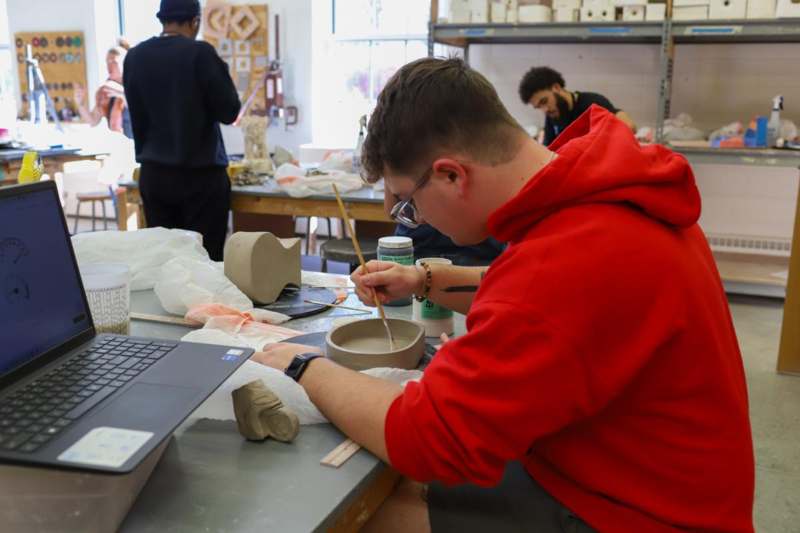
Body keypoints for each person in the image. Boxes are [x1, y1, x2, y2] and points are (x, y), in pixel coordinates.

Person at [251, 57, 755, 532]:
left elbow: (427, 438)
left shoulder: (564, 262)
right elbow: (536, 302)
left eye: (408, 203)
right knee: (396, 486)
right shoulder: (600, 190)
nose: (413, 219)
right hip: (627, 472)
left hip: (633, 514)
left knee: (366, 518)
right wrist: (423, 280)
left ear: (451, 175)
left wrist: (305, 366)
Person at [123, 0, 240, 261]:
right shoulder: (200, 54)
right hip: (200, 178)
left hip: (154, 176)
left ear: (162, 19)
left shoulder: (135, 57)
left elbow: (136, 116)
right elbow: (229, 111)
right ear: (195, 21)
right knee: (204, 261)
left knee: (165, 262)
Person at [519, 66, 636, 146]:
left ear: (556, 88)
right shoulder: (552, 114)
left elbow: (628, 127)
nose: (544, 110)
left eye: (544, 101)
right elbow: (549, 148)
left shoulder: (592, 103)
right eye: (539, 107)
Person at [74, 41, 133, 139]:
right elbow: (93, 121)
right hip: (119, 143)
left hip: (141, 143)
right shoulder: (105, 91)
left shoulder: (135, 84)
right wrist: (80, 103)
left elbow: (144, 114)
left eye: (114, 62)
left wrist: (123, 94)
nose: (109, 66)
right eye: (107, 62)